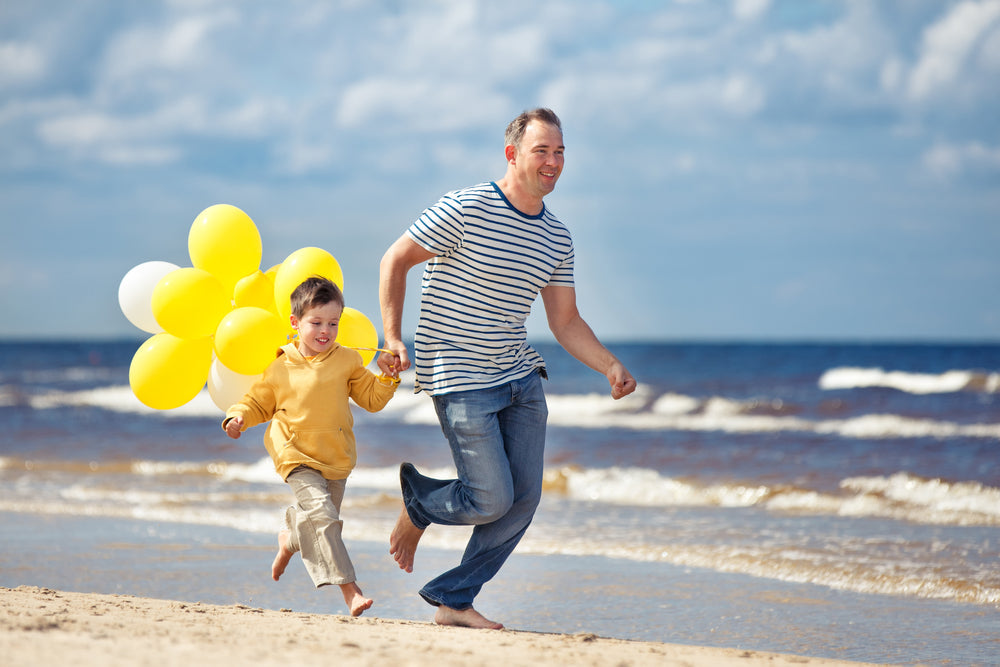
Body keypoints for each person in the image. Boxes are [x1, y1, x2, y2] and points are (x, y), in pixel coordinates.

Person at [377, 107, 637, 630]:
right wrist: (392, 337)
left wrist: (609, 365)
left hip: (518, 377)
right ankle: (421, 502)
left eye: (560, 152)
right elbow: (395, 259)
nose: (554, 162)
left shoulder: (556, 237)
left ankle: (454, 598)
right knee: (490, 497)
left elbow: (564, 321)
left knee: (523, 500)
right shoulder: (467, 208)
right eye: (542, 150)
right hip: (457, 376)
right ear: (512, 153)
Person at [223, 276, 399, 617]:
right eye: (316, 322)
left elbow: (373, 400)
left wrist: (388, 377)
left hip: (335, 457)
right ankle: (351, 591)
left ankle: (288, 541)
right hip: (295, 456)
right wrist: (238, 417)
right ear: (295, 323)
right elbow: (256, 402)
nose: (326, 331)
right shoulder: (280, 367)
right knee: (324, 519)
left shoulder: (347, 360)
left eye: (333, 323)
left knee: (318, 523)